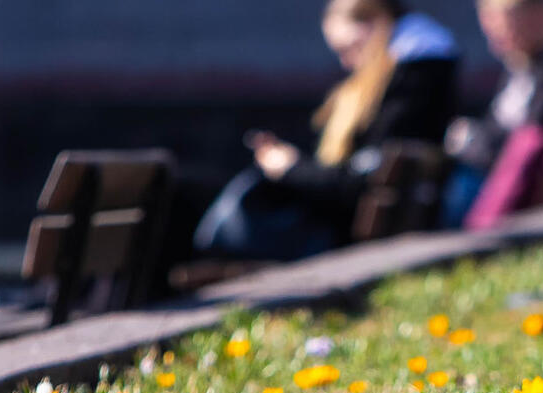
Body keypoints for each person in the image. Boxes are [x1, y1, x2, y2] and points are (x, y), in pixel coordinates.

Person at [193, 0, 459, 261]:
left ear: (378, 24)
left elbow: (353, 184)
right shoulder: (399, 86)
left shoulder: (404, 88)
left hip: (337, 239)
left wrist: (290, 168)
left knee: (197, 200)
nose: (345, 62)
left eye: (349, 48)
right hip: (350, 231)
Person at [443, 0, 543, 230]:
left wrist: (475, 141)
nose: (494, 29)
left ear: (539, 17)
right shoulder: (520, 67)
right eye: (488, 19)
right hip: (492, 179)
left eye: (504, 20)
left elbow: (529, 141)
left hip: (513, 193)